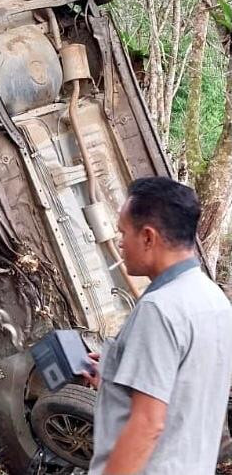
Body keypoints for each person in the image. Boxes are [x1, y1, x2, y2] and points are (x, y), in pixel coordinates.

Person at [85, 177, 232, 475]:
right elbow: (185, 390)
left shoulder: (159, 309)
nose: (120, 243)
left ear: (148, 237)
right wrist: (114, 378)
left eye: (123, 233)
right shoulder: (214, 300)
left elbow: (148, 423)